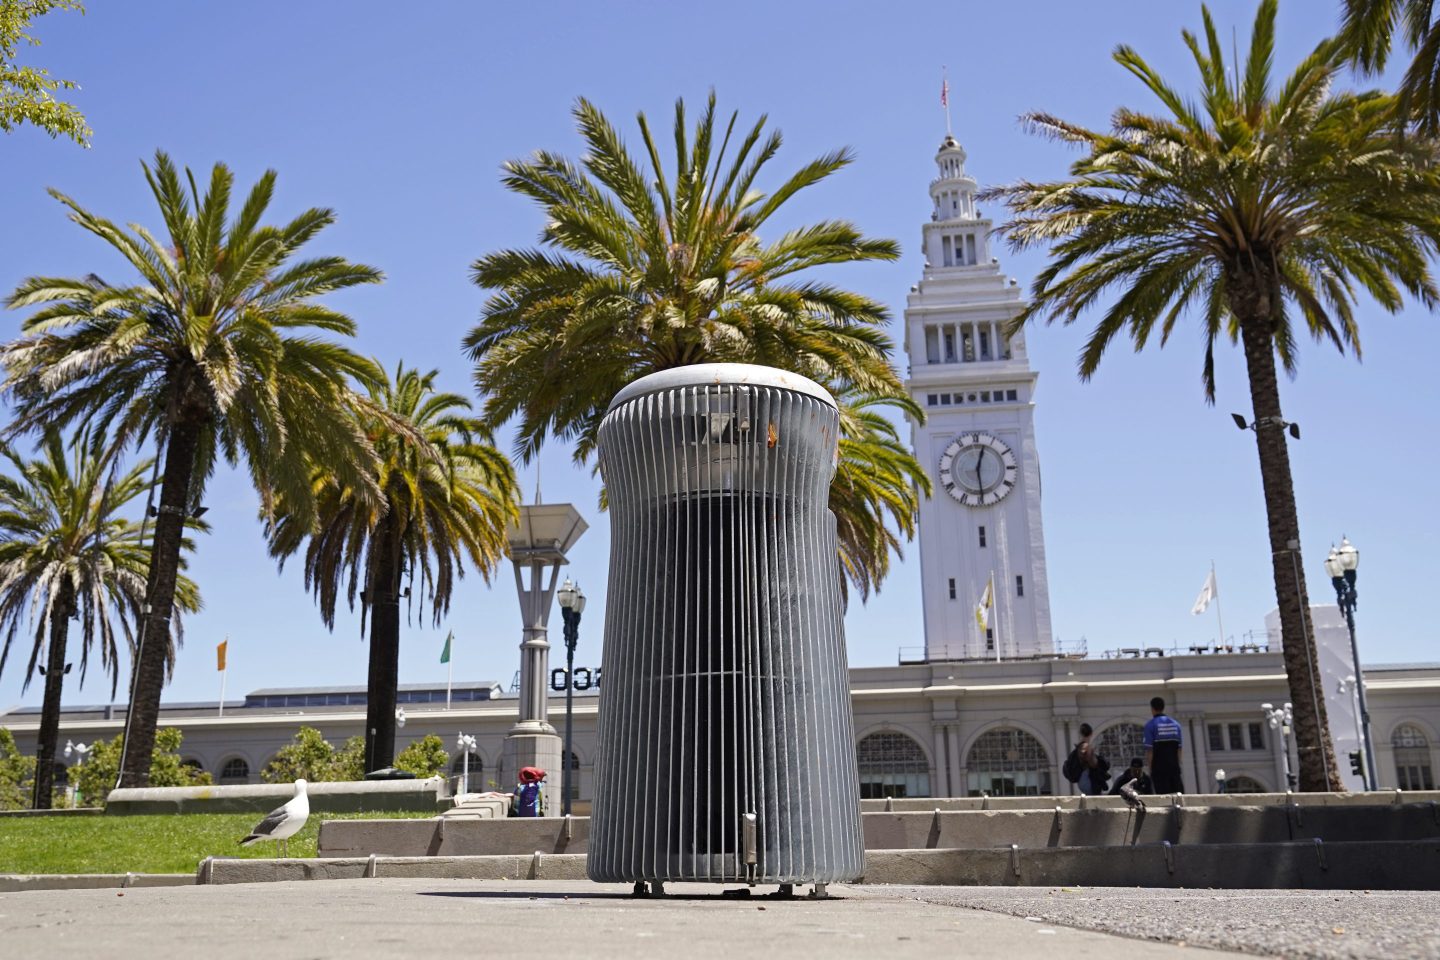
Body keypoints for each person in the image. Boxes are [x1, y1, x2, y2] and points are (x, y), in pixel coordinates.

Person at [1143, 696, 1185, 794]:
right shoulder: (1176, 724)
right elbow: (1179, 749)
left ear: (1152, 709)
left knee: (1163, 797)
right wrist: (1178, 764)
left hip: (1159, 768)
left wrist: (1150, 768)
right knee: (1178, 795)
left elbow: (1150, 751)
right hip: (1174, 768)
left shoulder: (1150, 725)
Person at [1064, 723, 1111, 795]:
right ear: (1091, 734)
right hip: (1089, 779)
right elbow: (1093, 763)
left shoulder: (1078, 748)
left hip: (1082, 780)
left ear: (1080, 733)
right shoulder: (1086, 746)